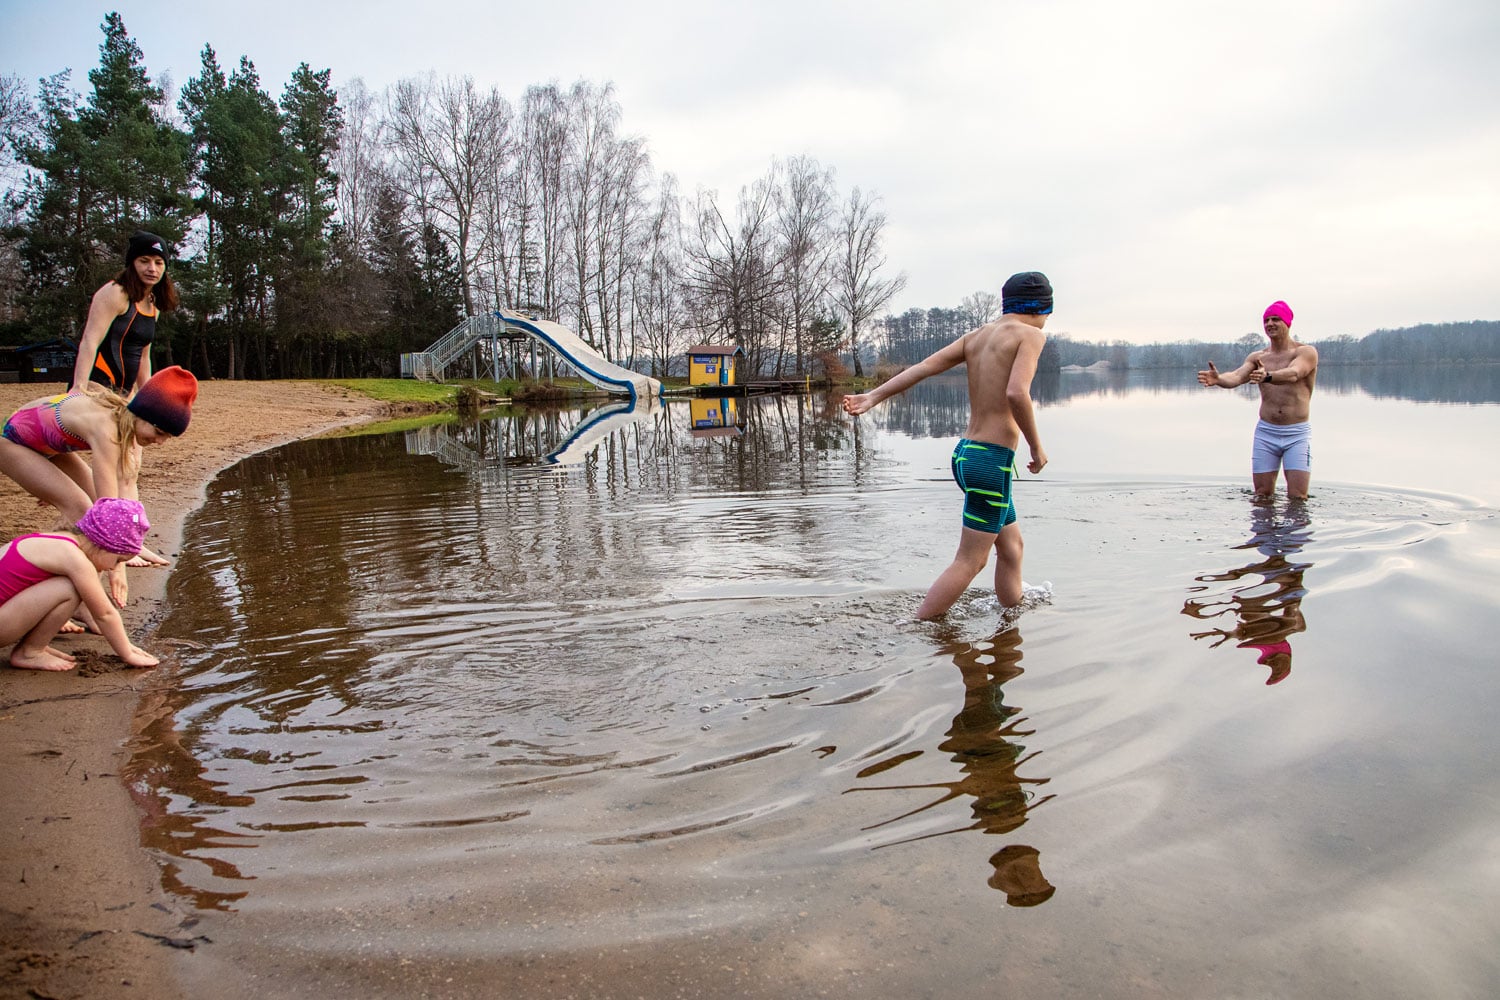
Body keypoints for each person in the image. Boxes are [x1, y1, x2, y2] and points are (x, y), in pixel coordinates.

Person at [842, 271, 1052, 618]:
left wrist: (873, 396)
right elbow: (1017, 392)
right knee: (971, 561)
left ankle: (1011, 618)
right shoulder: (1030, 336)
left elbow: (924, 367)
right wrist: (1036, 447)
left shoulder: (978, 336)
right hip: (992, 461)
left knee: (1012, 546)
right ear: (1040, 308)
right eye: (1047, 314)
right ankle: (916, 625)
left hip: (967, 455)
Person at [0, 365, 198, 596]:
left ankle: (77, 583)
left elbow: (127, 487)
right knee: (81, 507)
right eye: (159, 432)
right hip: (13, 443)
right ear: (142, 414)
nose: (160, 442)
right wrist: (118, 568)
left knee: (94, 512)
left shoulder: (127, 423)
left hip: (50, 446)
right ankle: (72, 593)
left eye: (167, 437)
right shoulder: (107, 430)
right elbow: (108, 508)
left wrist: (132, 545)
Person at [0, 497, 159, 671]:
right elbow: (104, 614)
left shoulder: (54, 540)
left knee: (65, 585)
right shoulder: (75, 559)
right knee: (69, 588)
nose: (113, 567)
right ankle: (29, 652)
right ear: (103, 543)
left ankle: (34, 646)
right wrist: (127, 653)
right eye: (118, 559)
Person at [1197, 300, 1320, 499]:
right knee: (1262, 495)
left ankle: (1295, 531)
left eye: (1276, 319)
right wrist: (1219, 379)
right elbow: (1237, 376)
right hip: (1266, 433)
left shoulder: (1305, 352)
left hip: (1296, 434)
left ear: (1287, 323)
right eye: (1266, 320)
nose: (1270, 323)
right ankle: (1265, 531)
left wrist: (1268, 376)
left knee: (1298, 497)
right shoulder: (1258, 357)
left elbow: (1295, 373)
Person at [70, 230, 179, 396]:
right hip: (96, 386)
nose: (152, 269)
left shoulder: (153, 304)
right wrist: (78, 389)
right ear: (132, 263)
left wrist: (146, 398)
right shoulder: (115, 293)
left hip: (124, 393)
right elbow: (90, 341)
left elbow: (143, 357)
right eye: (144, 261)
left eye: (158, 263)